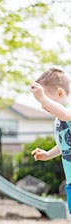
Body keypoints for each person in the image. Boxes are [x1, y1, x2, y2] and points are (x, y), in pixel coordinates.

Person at [31, 67, 71, 213]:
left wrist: (42, 97)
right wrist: (48, 154)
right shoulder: (58, 118)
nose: (43, 106)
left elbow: (65, 114)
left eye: (46, 100)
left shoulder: (67, 112)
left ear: (60, 93)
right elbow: (64, 145)